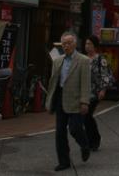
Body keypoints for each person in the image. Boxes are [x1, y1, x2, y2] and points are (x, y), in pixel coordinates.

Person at [45, 32, 91, 172]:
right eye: (64, 44)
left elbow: (85, 83)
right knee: (60, 132)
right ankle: (63, 161)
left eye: (69, 43)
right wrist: (49, 100)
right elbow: (53, 82)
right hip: (60, 99)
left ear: (75, 44)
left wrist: (85, 101)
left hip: (76, 100)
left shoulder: (83, 60)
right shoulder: (58, 61)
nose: (66, 46)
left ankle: (84, 145)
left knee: (75, 128)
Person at [84, 35, 112, 151]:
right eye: (86, 44)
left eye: (89, 44)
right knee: (85, 116)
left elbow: (105, 75)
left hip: (95, 92)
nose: (87, 46)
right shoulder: (82, 59)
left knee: (87, 115)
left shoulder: (101, 59)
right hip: (84, 92)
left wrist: (103, 90)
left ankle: (94, 139)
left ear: (95, 46)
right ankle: (91, 139)